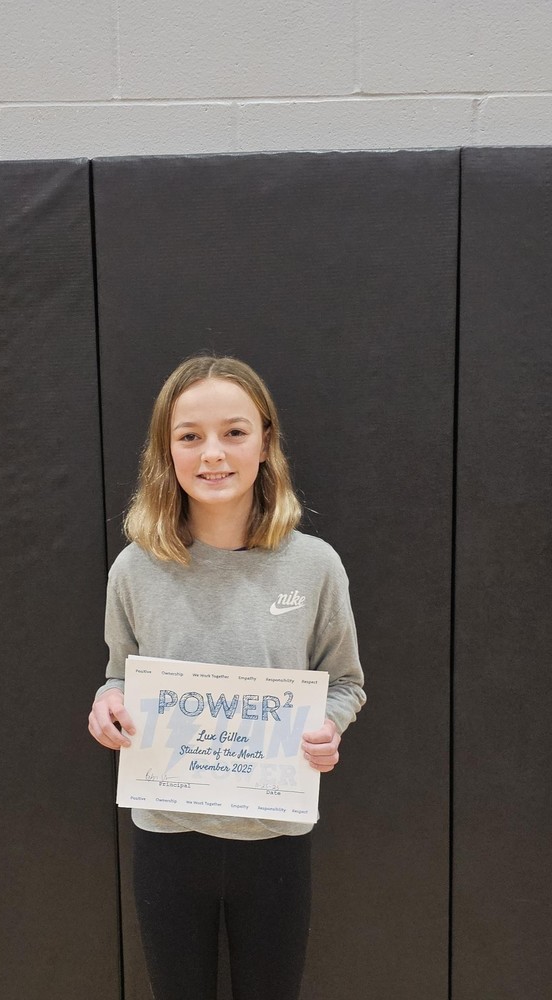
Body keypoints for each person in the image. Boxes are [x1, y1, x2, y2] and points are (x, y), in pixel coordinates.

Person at [88, 355, 365, 1000]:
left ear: (265, 442)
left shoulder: (315, 567)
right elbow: (118, 677)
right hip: (169, 836)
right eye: (189, 436)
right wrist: (107, 707)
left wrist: (329, 724)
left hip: (274, 837)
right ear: (167, 451)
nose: (212, 453)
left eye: (234, 432)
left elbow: (344, 683)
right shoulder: (135, 569)